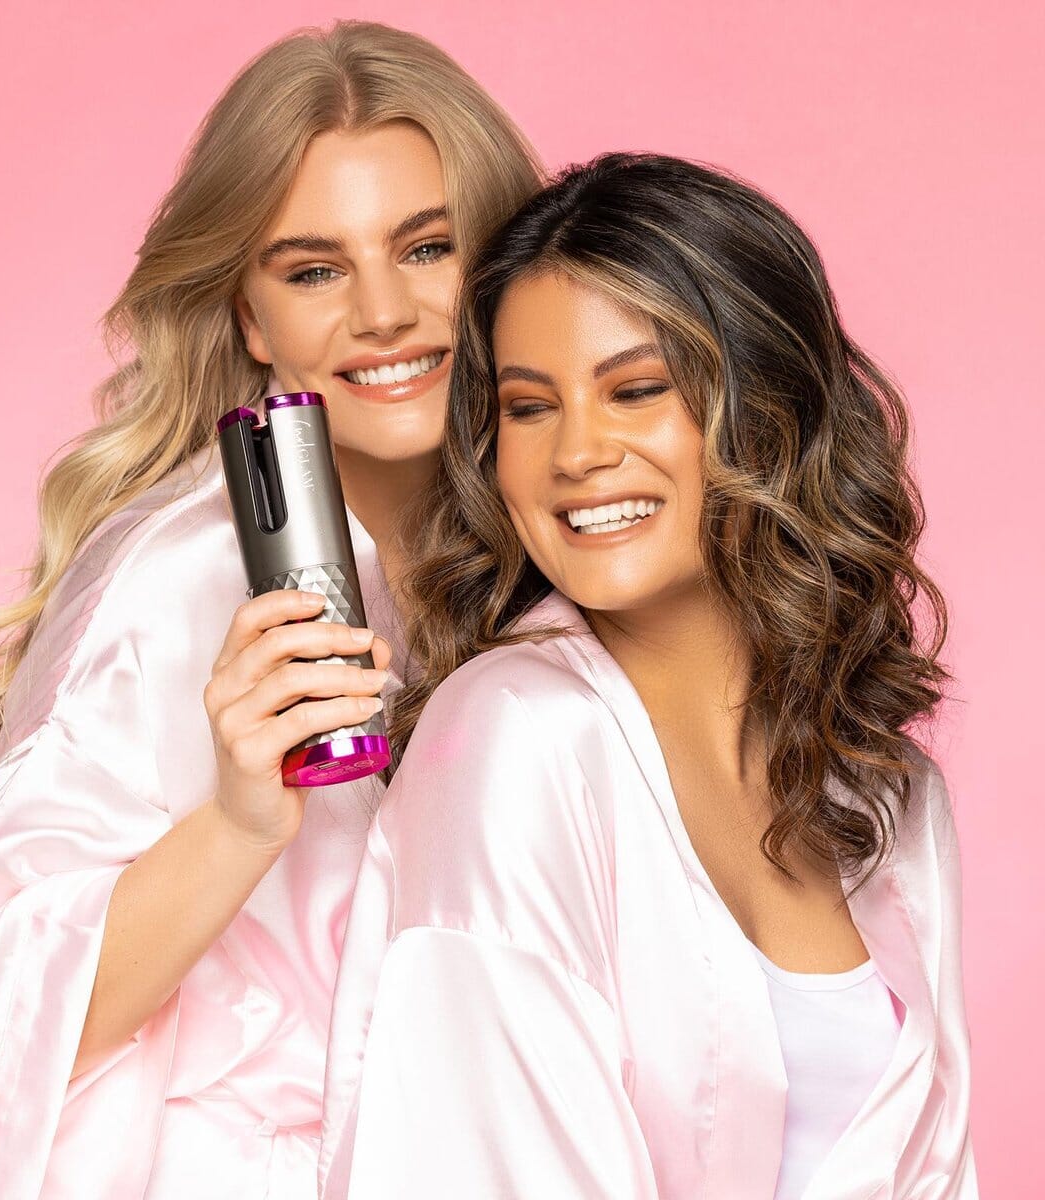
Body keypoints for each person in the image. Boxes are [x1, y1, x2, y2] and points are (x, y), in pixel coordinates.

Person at [0, 22, 541, 1199]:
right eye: (314, 270)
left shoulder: (546, 542)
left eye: (428, 248)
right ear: (250, 319)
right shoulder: (186, 579)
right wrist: (239, 821)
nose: (384, 313)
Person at [320, 154, 976, 1198]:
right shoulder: (512, 738)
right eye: (529, 408)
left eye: (635, 391)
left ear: (768, 407)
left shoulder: (883, 790)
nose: (576, 453)